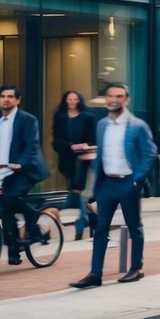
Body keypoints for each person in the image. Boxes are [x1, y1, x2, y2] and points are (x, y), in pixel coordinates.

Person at [69, 83, 156, 288]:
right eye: (110, 96)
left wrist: (137, 179)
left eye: (119, 96)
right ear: (105, 99)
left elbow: (150, 153)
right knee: (100, 229)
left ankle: (136, 268)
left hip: (128, 182)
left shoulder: (137, 126)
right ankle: (95, 273)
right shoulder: (102, 125)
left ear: (127, 99)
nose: (114, 99)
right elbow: (101, 154)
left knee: (134, 227)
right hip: (106, 183)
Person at [0, 85, 48, 266]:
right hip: (3, 172)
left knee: (9, 198)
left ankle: (33, 217)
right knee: (4, 208)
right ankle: (14, 250)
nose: (6, 99)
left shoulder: (28, 120)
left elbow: (31, 146)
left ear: (17, 100)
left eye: (10, 96)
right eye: (2, 96)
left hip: (25, 169)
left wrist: (20, 164)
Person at [53, 90, 99, 238]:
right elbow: (56, 140)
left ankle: (84, 222)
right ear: (65, 101)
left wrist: (85, 145)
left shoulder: (89, 117)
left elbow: (94, 138)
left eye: (75, 99)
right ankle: (85, 221)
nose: (72, 102)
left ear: (79, 101)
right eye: (69, 99)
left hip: (86, 160)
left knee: (84, 193)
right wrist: (69, 146)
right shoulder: (60, 117)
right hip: (68, 160)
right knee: (78, 191)